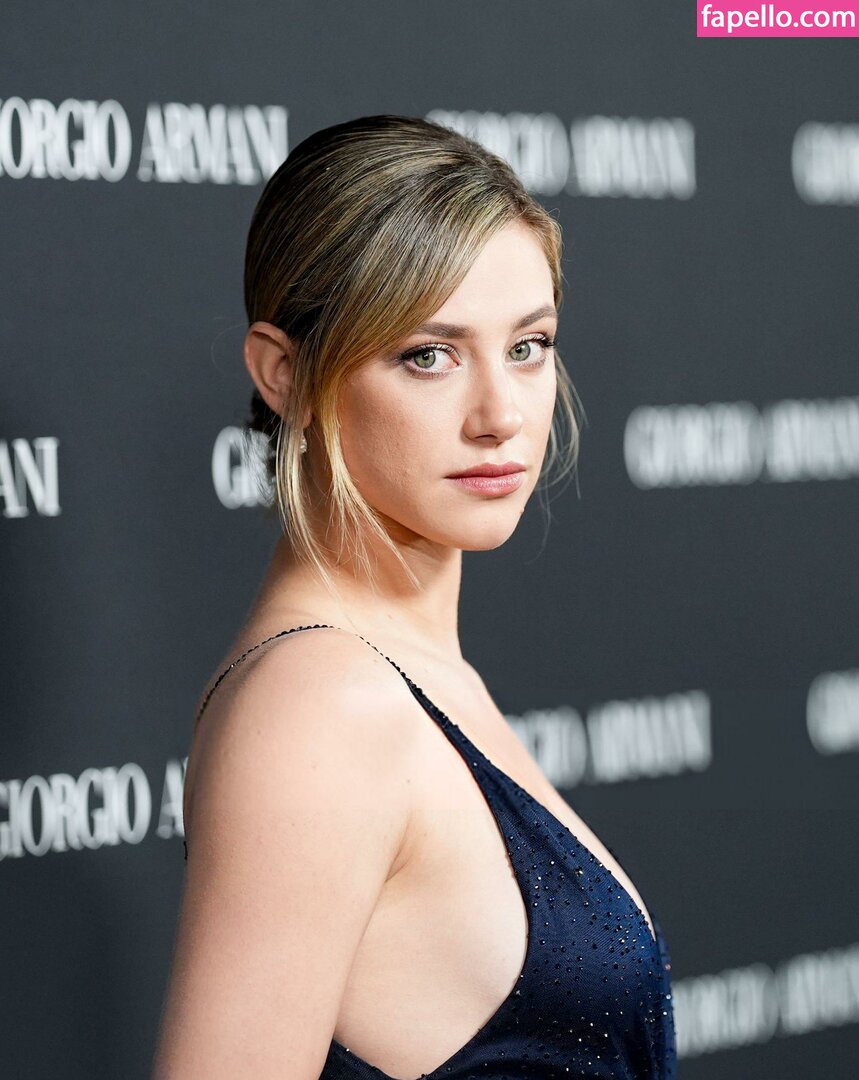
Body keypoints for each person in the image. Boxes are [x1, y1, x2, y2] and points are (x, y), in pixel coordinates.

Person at [151, 114, 676, 1079]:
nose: (500, 415)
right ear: (284, 374)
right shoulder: (325, 704)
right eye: (428, 355)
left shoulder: (404, 672)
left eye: (528, 345)